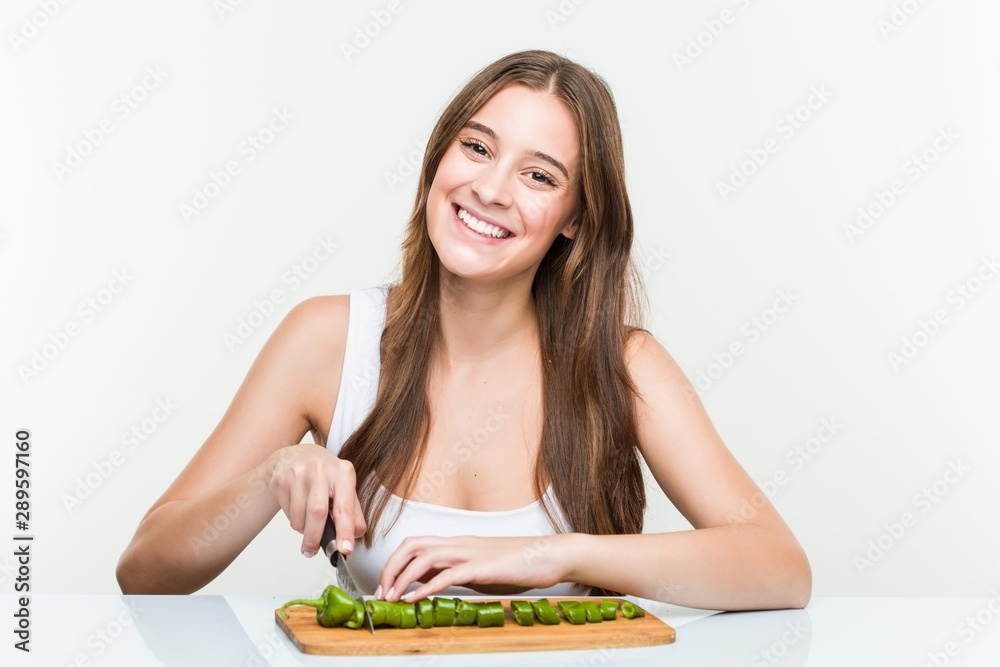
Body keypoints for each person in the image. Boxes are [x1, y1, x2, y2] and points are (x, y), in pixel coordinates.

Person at [116, 49, 811, 610]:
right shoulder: (327, 338)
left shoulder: (623, 365)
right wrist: (270, 477)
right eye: (477, 147)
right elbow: (144, 570)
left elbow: (780, 568)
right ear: (438, 158)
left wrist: (552, 555)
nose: (491, 188)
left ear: (576, 218)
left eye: (539, 175)